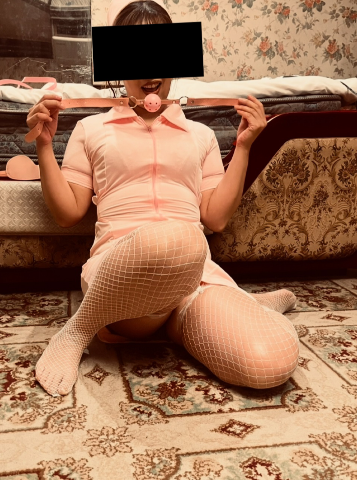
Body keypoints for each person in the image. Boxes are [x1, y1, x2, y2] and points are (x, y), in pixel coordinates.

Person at [28, 0, 300, 397]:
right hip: (122, 280)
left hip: (193, 274)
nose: (150, 71)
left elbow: (216, 219)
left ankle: (239, 304)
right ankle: (78, 330)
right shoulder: (90, 129)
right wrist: (43, 145)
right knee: (175, 240)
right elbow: (68, 213)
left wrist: (244, 147)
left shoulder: (201, 136)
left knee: (271, 362)